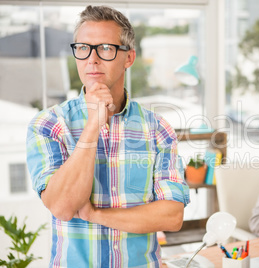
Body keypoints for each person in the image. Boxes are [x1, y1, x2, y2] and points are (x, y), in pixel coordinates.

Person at [26, 5, 190, 267]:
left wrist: (95, 215)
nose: (92, 58)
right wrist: (93, 124)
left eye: (105, 48)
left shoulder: (158, 129)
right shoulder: (49, 124)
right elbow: (62, 206)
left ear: (129, 58)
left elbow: (171, 216)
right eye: (83, 48)